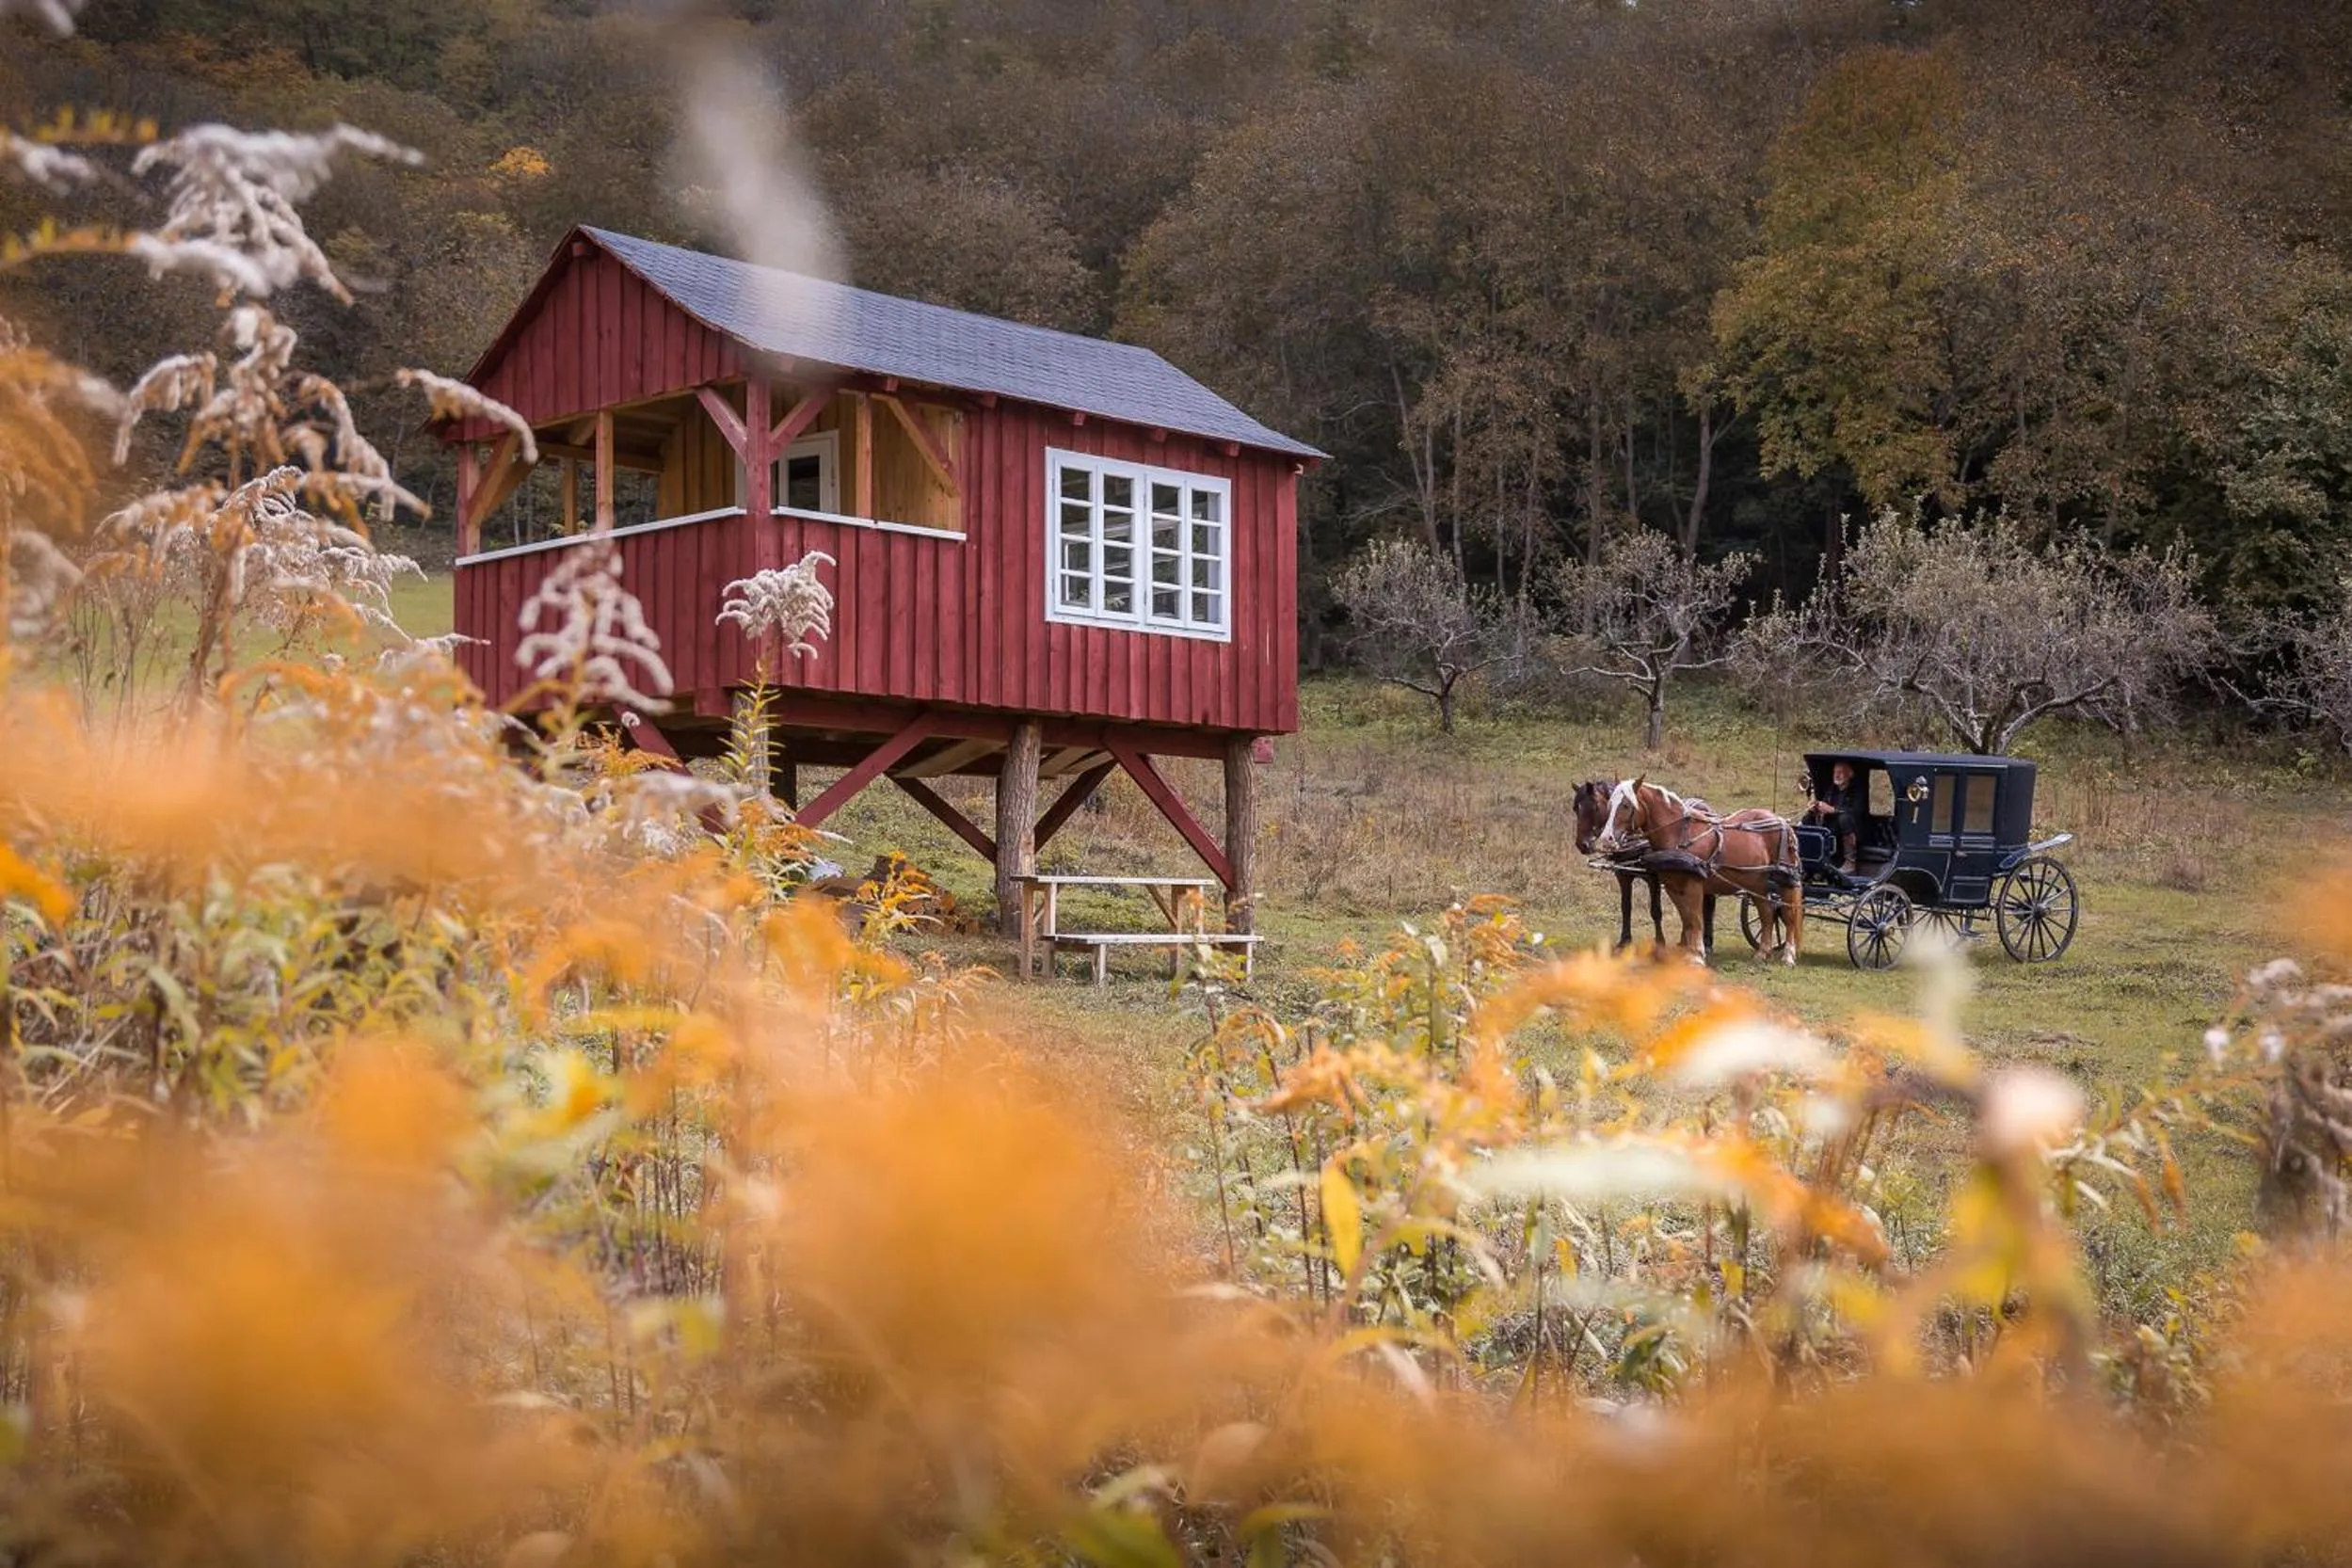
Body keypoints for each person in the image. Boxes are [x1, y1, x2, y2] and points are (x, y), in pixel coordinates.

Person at [1807, 760, 1863, 875]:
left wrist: (1832, 810)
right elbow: (1825, 804)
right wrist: (1816, 807)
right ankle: (1808, 856)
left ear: (1849, 775)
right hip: (1833, 825)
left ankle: (1850, 862)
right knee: (1808, 818)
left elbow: (1856, 811)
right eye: (1835, 772)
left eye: (1841, 772)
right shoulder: (1832, 789)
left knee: (1845, 819)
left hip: (1855, 827)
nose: (1837, 775)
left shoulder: (1857, 791)